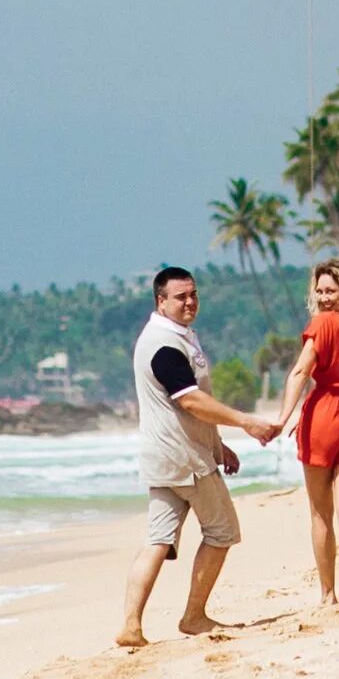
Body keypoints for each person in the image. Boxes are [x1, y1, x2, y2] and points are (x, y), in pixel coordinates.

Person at [118, 266, 278, 648]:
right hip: (185, 459)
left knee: (157, 540)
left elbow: (188, 408)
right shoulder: (163, 345)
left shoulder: (177, 336)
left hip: (164, 457)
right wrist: (246, 422)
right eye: (180, 297)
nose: (189, 302)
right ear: (161, 301)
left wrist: (219, 445)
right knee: (222, 532)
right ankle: (193, 616)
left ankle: (131, 626)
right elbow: (189, 399)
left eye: (193, 295)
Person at [274, 259, 339, 608]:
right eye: (318, 291)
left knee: (321, 513)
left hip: (322, 415)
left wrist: (282, 418)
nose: (322, 298)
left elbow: (300, 371)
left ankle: (328, 594)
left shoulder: (322, 324)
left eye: (330, 291)